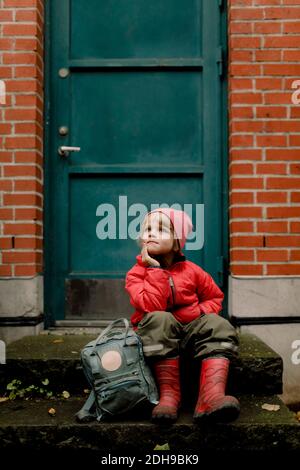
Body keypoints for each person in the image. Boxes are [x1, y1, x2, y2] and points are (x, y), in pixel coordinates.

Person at [125, 208, 240, 424]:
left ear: (177, 241)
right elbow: (152, 306)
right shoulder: (136, 274)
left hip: (190, 333)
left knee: (219, 324)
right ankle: (170, 395)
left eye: (160, 229)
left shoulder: (193, 271)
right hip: (157, 339)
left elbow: (214, 297)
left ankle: (210, 397)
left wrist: (198, 313)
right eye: (147, 229)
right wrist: (154, 270)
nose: (150, 233)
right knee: (160, 318)